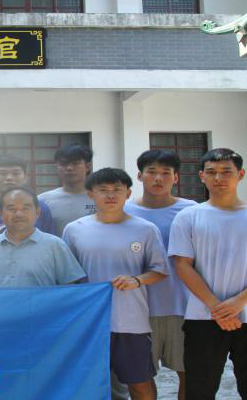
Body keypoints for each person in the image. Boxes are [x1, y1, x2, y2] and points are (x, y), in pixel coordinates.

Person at [169, 148, 247, 400]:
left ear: (240, 175)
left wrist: (238, 302)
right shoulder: (188, 216)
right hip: (203, 316)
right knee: (199, 390)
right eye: (211, 172)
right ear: (201, 176)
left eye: (226, 172)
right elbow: (182, 265)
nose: (218, 178)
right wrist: (216, 307)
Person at [63, 168, 169, 400]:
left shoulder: (145, 229)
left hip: (131, 321)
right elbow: (67, 276)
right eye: (103, 190)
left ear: (128, 193)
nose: (110, 195)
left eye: (117, 190)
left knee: (139, 383)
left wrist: (136, 280)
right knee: (87, 383)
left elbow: (160, 270)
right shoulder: (74, 230)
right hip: (89, 322)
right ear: (91, 194)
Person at [123, 150, 197, 400]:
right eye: (152, 172)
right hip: (138, 310)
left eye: (166, 173)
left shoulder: (192, 210)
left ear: (176, 177)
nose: (158, 178)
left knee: (191, 376)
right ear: (139, 176)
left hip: (185, 307)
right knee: (139, 380)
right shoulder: (124, 211)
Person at [0, 186, 85, 287]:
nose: (19, 214)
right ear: (0, 214)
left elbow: (71, 289)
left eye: (26, 208)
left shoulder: (56, 246)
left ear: (38, 212)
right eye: (11, 209)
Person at [0, 153, 53, 234]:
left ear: (25, 178)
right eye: (2, 173)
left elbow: (50, 241)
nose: (9, 178)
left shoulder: (39, 208)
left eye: (16, 173)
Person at [39, 145, 97, 237]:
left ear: (88, 166)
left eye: (75, 163)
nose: (69, 168)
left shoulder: (100, 198)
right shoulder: (42, 200)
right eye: (63, 164)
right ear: (57, 167)